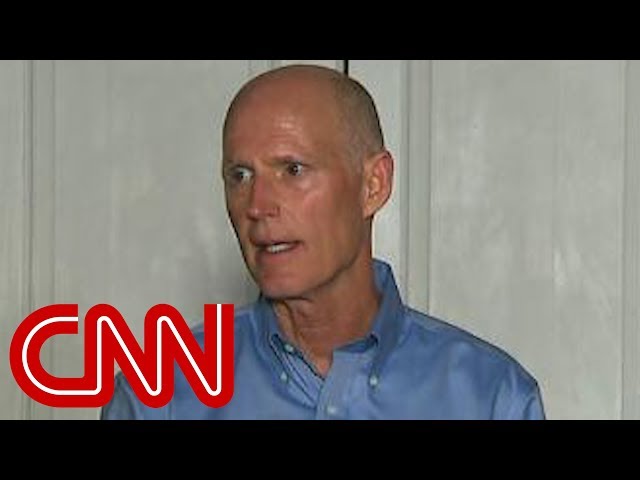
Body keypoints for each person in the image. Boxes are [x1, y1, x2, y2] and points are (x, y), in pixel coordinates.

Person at [101, 64, 545, 420]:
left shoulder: (491, 398)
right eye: (240, 175)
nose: (257, 205)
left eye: (292, 170)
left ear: (373, 184)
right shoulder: (158, 395)